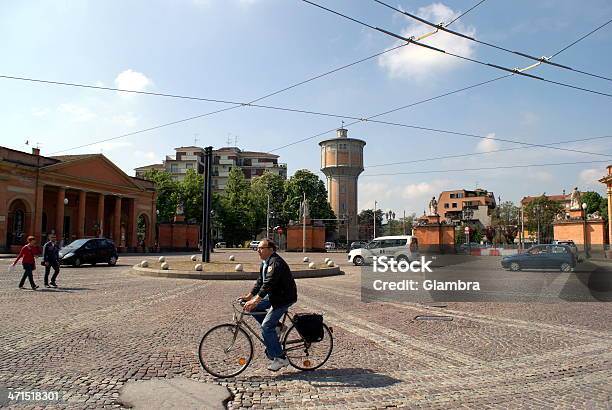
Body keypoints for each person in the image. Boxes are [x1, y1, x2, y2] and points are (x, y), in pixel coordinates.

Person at [240, 239, 297, 372]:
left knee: (266, 327)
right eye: (257, 248)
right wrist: (249, 296)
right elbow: (260, 281)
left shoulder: (275, 263)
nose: (258, 250)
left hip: (283, 298)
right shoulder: (265, 263)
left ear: (271, 249)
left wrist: (256, 300)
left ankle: (281, 358)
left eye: (261, 248)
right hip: (274, 296)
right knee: (253, 308)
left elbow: (269, 283)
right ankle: (277, 326)